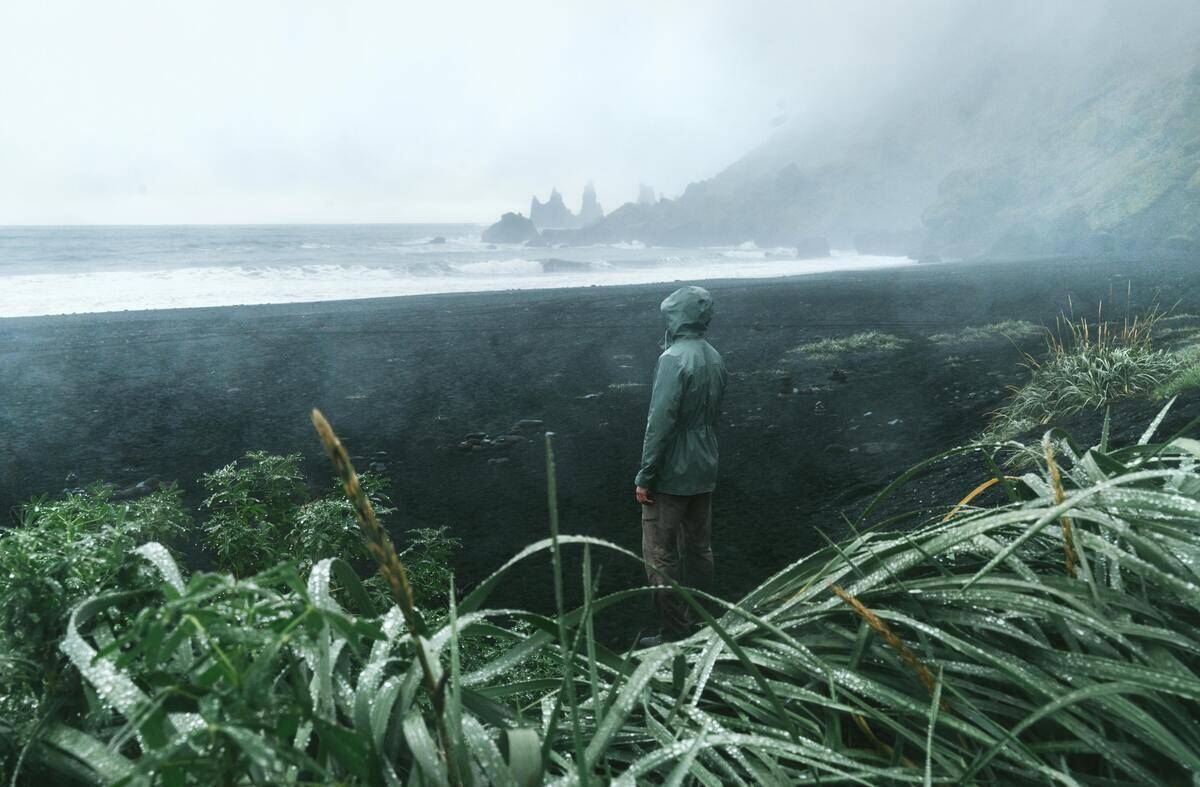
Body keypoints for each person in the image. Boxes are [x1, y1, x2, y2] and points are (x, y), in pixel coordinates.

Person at [634, 285, 728, 646]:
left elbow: (660, 422)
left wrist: (646, 475)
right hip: (705, 464)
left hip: (672, 471)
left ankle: (674, 633)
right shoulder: (715, 356)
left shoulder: (672, 359)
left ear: (676, 317)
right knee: (700, 549)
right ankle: (704, 623)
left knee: (660, 554)